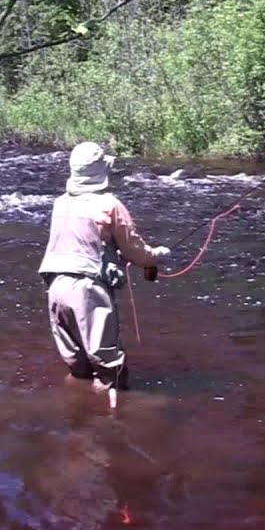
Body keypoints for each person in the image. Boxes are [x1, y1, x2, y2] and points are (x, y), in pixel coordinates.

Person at [38, 142, 169, 402]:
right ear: (101, 172)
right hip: (88, 291)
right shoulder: (109, 205)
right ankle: (111, 425)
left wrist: (111, 255)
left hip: (55, 288)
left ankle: (79, 418)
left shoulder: (60, 203)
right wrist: (159, 255)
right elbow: (136, 252)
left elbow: (81, 243)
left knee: (78, 365)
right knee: (110, 370)